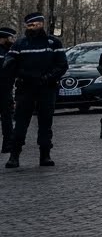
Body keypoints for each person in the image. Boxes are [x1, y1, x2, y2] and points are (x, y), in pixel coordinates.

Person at [3, 13, 67, 167]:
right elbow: (9, 65)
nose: (31, 28)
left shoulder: (53, 43)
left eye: (34, 25)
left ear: (41, 24)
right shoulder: (20, 44)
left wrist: (48, 78)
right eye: (29, 25)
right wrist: (21, 75)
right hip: (26, 88)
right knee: (20, 123)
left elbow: (62, 65)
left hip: (46, 88)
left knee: (45, 123)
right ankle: (14, 156)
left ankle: (45, 155)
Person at [0, 26, 14, 154]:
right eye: (10, 37)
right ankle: (7, 144)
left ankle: (8, 144)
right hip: (4, 89)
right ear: (3, 39)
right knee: (6, 118)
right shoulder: (6, 53)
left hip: (6, 90)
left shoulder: (9, 51)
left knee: (7, 118)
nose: (13, 40)